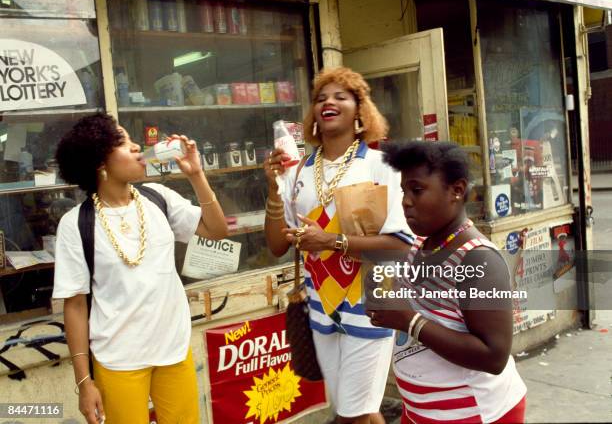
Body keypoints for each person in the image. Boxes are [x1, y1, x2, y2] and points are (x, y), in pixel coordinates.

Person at [52, 113, 228, 424]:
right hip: (118, 359)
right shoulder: (76, 224)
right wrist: (84, 382)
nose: (137, 148)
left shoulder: (158, 198)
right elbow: (75, 305)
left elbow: (216, 230)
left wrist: (196, 175)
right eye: (122, 142)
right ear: (99, 162)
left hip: (173, 350)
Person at [264, 67, 413, 424]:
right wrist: (272, 186)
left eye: (340, 96)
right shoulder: (298, 171)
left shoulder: (380, 166)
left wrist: (330, 241)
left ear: (360, 111)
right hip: (320, 308)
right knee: (355, 411)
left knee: (352, 413)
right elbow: (275, 246)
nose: (328, 102)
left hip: (371, 303)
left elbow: (399, 246)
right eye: (320, 98)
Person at [367, 141, 527, 424]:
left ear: (456, 190)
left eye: (417, 190)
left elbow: (494, 356)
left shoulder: (478, 260)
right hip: (422, 411)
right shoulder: (419, 246)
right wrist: (380, 295)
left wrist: (408, 321)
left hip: (476, 413)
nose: (405, 201)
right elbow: (412, 306)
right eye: (404, 190)